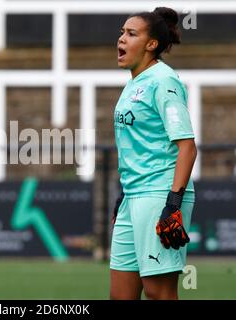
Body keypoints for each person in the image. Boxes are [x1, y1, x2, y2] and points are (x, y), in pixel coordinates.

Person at [110, 7, 198, 300]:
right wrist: (124, 197)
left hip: (160, 193)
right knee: (121, 295)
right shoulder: (135, 82)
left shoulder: (163, 80)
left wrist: (173, 205)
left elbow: (187, 147)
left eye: (131, 34)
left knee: (158, 293)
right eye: (122, 32)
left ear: (152, 44)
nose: (121, 39)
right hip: (133, 196)